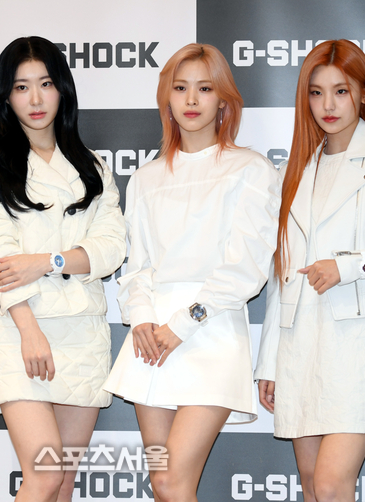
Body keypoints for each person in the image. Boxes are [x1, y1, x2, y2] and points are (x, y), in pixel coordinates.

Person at [255, 39, 365, 502]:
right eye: (316, 93)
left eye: (340, 91)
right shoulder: (294, 170)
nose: (328, 105)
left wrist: (349, 266)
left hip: (360, 340)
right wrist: (269, 361)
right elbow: (282, 275)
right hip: (300, 342)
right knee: (312, 484)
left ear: (363, 92)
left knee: (332, 483)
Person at [103, 43, 281, 502]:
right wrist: (142, 320)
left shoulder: (251, 169)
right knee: (163, 485)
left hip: (212, 331)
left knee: (172, 480)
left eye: (204, 88)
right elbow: (137, 265)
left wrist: (183, 323)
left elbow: (246, 267)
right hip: (151, 339)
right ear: (167, 97)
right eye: (180, 88)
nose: (192, 100)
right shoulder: (145, 177)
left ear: (223, 99)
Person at [0, 36, 125, 502]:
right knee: (45, 475)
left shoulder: (93, 167)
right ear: (5, 97)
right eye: (21, 87)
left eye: (46, 84)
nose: (35, 99)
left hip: (82, 330)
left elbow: (111, 248)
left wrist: (47, 261)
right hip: (18, 328)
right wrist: (29, 330)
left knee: (64, 483)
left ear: (62, 90)